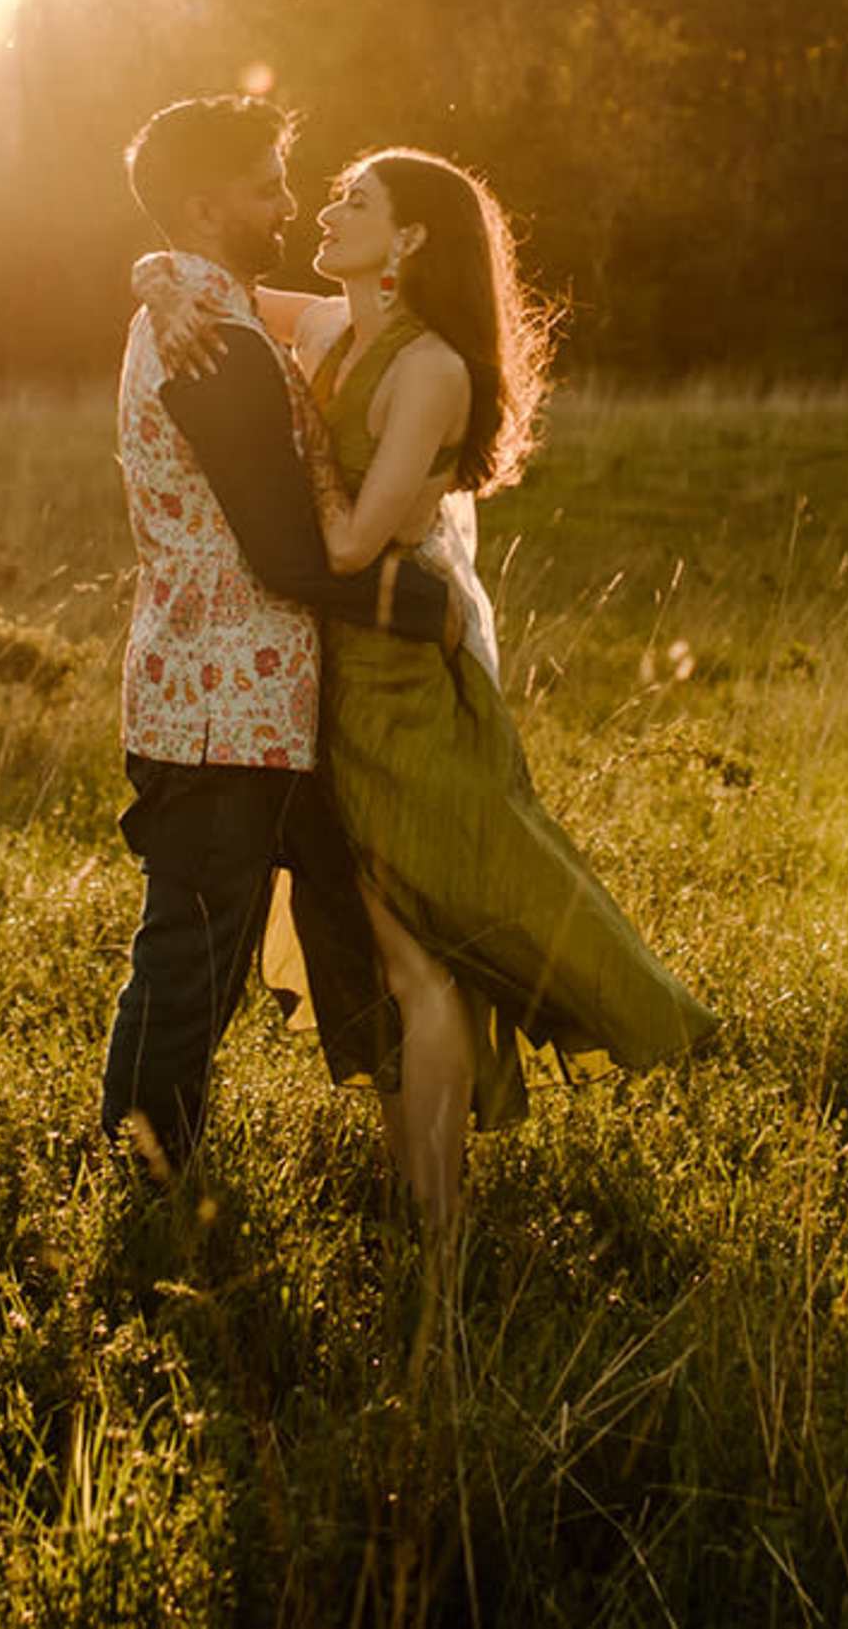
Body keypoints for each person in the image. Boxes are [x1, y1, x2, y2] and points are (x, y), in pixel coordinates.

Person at [140, 147, 715, 1255]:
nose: (326, 205)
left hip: (401, 692)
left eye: (357, 199)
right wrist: (159, 291)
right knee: (386, 954)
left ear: (409, 241)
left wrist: (298, 457)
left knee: (419, 956)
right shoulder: (333, 331)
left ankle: (440, 1223)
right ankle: (420, 1202)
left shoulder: (430, 369)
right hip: (330, 680)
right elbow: (192, 262)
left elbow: (355, 540)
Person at [101, 96, 463, 1194]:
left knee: (342, 926)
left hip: (251, 699)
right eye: (267, 185)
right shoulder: (216, 348)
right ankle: (143, 1186)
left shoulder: (208, 312)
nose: (287, 202)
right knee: (192, 960)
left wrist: (150, 270)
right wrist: (421, 610)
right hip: (216, 707)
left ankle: (412, 1167)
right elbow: (283, 554)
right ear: (211, 204)